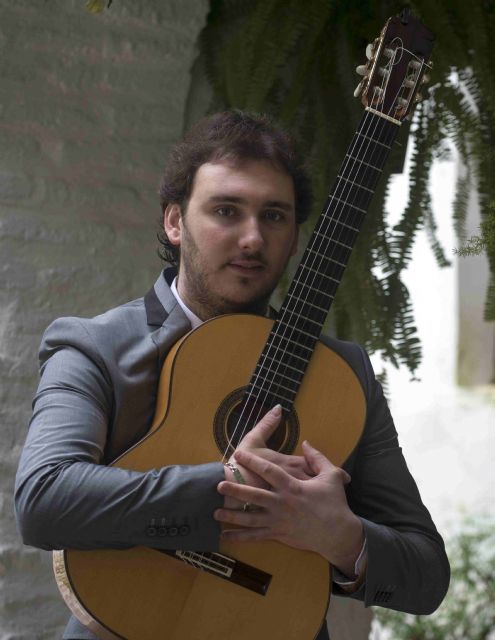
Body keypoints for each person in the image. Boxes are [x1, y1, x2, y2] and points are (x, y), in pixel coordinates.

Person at [15, 110, 450, 640]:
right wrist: (231, 490)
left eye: (274, 216)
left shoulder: (343, 374)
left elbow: (427, 576)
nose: (252, 239)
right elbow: (43, 500)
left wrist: (341, 536)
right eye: (226, 210)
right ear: (174, 222)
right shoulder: (94, 346)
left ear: (294, 236)